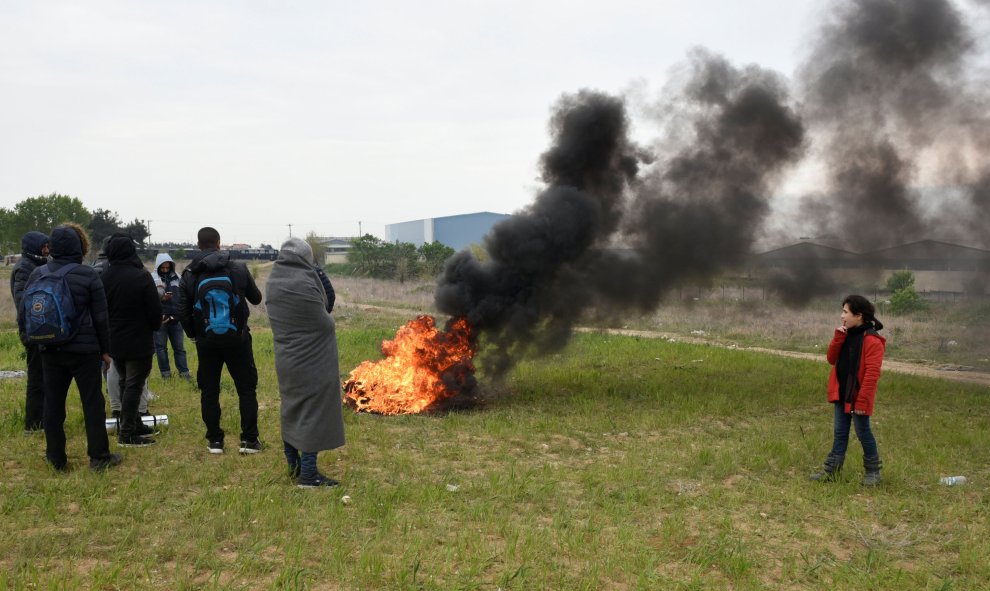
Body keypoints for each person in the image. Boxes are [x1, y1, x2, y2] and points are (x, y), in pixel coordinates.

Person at [18, 223, 121, 471]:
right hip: (85, 351)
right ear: (78, 247)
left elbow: (25, 311)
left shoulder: (38, 273)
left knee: (53, 403)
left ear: (52, 247)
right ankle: (99, 456)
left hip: (50, 349)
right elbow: (101, 317)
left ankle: (56, 458)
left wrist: (29, 340)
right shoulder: (88, 275)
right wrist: (106, 351)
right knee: (92, 402)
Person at [265, 237, 345, 488]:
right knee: (315, 411)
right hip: (313, 358)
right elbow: (325, 311)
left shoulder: (274, 279)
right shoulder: (304, 279)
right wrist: (317, 270)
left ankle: (293, 465)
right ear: (305, 258)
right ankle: (309, 475)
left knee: (291, 407)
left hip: (286, 358)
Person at [177, 226, 263, 454]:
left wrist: (194, 335)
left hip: (206, 342)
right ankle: (249, 441)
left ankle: (215, 441)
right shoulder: (238, 268)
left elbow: (182, 310)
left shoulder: (190, 273)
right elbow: (256, 299)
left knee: (209, 390)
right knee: (246, 389)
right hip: (238, 339)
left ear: (198, 245)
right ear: (219, 243)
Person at [811, 294, 886, 486]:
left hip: (858, 397)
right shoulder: (845, 335)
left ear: (859, 315)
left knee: (863, 433)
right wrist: (838, 337)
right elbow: (831, 359)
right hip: (842, 393)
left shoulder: (872, 341)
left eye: (845, 312)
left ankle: (873, 473)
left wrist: (862, 401)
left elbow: (871, 375)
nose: (842, 316)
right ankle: (832, 472)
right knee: (840, 433)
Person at [101, 233, 162, 447]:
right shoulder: (141, 276)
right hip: (138, 339)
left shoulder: (104, 276)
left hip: (114, 338)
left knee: (124, 381)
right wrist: (156, 325)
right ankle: (127, 433)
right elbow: (154, 311)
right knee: (134, 385)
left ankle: (135, 423)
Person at [9, 231, 50, 434]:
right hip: (33, 332)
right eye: (43, 246)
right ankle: (34, 424)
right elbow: (23, 301)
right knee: (36, 379)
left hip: (42, 329)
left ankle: (43, 419)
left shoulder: (37, 265)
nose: (47, 249)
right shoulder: (25, 268)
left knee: (45, 378)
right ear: (34, 247)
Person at [151, 252, 190, 379]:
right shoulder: (152, 278)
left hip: (176, 319)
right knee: (161, 349)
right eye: (162, 268)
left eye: (167, 267)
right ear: (158, 267)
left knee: (180, 348)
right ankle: (166, 375)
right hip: (160, 319)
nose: (165, 270)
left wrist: (181, 315)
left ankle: (184, 374)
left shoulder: (178, 277)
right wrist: (161, 299)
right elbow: (148, 300)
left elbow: (183, 297)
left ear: (171, 266)